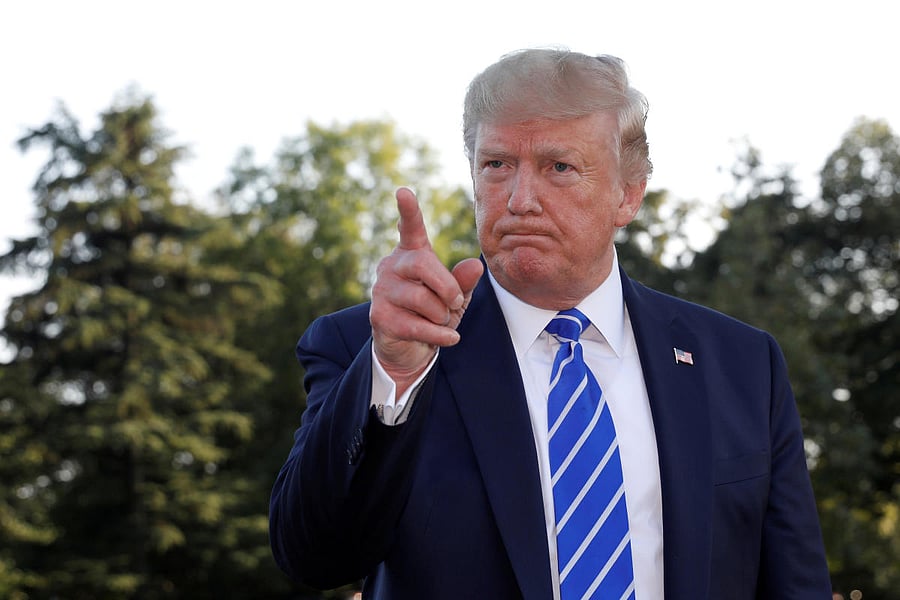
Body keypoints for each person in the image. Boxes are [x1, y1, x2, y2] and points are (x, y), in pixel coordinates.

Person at [269, 48, 831, 599]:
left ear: (627, 195)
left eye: (559, 167)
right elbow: (314, 557)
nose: (519, 200)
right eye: (496, 165)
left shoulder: (741, 364)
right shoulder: (377, 349)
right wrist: (394, 372)